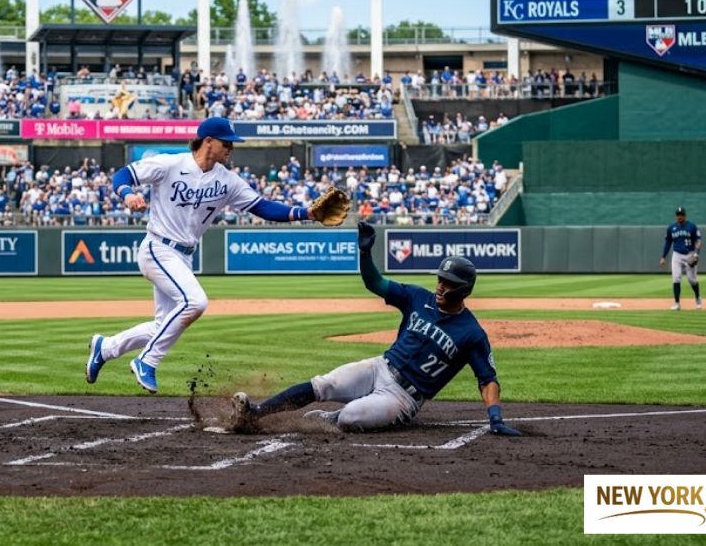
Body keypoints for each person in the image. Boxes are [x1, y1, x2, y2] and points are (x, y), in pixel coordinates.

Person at [85, 117, 330, 393]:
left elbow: (262, 207)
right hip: (157, 247)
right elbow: (123, 174)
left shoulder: (227, 180)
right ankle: (147, 361)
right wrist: (127, 194)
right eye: (227, 143)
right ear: (208, 141)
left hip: (184, 256)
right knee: (195, 302)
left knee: (163, 326)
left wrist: (306, 213)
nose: (231, 149)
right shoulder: (171, 165)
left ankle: (105, 348)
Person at [230, 222, 522, 436]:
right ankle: (256, 413)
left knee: (351, 417)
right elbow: (375, 283)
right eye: (440, 279)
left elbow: (487, 379)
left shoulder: (471, 333)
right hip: (379, 367)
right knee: (324, 384)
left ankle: (331, 418)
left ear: (464, 290)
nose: (440, 285)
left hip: (403, 398)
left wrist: (495, 417)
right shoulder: (417, 297)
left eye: (448, 282)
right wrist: (365, 254)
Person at [659, 206, 702, 310]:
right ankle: (677, 304)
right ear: (675, 216)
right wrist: (663, 257)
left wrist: (696, 254)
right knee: (676, 278)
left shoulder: (692, 226)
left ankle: (697, 298)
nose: (680, 217)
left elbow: (698, 241)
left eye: (681, 215)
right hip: (677, 255)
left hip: (689, 254)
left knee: (692, 280)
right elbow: (668, 243)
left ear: (685, 216)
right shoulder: (671, 228)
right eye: (678, 215)